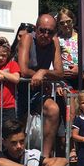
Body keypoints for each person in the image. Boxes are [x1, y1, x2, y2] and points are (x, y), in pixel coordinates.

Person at [17, 13, 64, 157]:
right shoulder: (27, 38)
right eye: (42, 30)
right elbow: (23, 70)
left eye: (50, 32)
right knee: (18, 126)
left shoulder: (54, 41)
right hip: (18, 90)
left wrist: (43, 72)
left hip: (37, 89)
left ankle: (44, 157)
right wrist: (39, 75)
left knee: (53, 110)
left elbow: (60, 72)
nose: (45, 35)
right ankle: (16, 159)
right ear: (36, 29)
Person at [0, 119, 67, 166]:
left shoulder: (31, 155)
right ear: (4, 142)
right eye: (14, 142)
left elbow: (63, 161)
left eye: (22, 141)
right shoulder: (1, 155)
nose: (19, 146)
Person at [57, 8, 79, 89]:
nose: (65, 24)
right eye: (62, 23)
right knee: (70, 101)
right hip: (64, 79)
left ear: (73, 21)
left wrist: (80, 69)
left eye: (68, 21)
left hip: (80, 76)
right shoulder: (57, 40)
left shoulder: (82, 38)